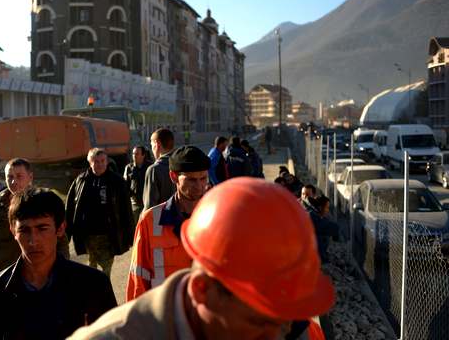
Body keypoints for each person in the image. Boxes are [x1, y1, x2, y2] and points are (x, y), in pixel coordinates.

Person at [70, 178, 334, 340]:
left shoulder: (296, 330)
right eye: (258, 322)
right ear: (202, 289)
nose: (276, 337)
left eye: (285, 323)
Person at [0, 189, 117, 339]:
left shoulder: (93, 285)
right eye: (24, 230)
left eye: (42, 229)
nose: (33, 241)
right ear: (13, 230)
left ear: (60, 228)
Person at [0, 158, 70, 300]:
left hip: (43, 278)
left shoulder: (46, 202)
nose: (14, 182)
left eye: (19, 176)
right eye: (10, 177)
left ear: (30, 177)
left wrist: (62, 274)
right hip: (7, 281)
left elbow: (61, 242)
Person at [127, 145, 210, 301]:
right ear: (173, 176)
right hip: (164, 319)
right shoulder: (150, 221)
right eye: (191, 180)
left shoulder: (218, 218)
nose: (199, 186)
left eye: (203, 178)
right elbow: (138, 280)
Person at [66, 148, 134, 278]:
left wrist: (129, 235)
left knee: (105, 272)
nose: (100, 164)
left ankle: (103, 294)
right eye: (96, 161)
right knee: (90, 269)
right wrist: (67, 233)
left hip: (108, 235)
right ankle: (92, 295)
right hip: (87, 235)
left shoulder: (117, 182)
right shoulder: (81, 180)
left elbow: (126, 210)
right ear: (90, 162)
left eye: (103, 161)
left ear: (107, 161)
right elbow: (70, 208)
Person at [143, 128, 176, 210]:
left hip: (161, 220)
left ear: (157, 144)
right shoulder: (181, 164)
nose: (152, 150)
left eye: (151, 146)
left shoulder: (154, 169)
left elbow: (150, 206)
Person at [308, 195, 340, 263]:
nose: (328, 210)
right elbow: (334, 228)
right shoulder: (313, 217)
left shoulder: (314, 215)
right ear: (320, 208)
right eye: (327, 208)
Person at [123, 145, 150, 225]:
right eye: (133, 154)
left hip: (147, 202)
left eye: (137, 154)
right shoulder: (129, 168)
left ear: (143, 155)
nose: (134, 156)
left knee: (147, 225)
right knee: (135, 225)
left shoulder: (150, 167)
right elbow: (125, 185)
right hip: (134, 203)